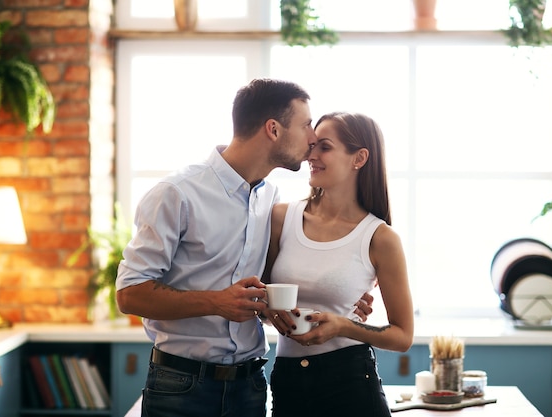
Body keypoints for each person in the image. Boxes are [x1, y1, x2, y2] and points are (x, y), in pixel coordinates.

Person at [115, 79, 373, 417]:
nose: (312, 138)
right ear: (273, 129)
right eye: (306, 124)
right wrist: (216, 302)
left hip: (250, 386)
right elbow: (129, 294)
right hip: (181, 386)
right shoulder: (177, 193)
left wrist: (341, 298)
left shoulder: (270, 200)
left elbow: (261, 292)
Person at [261, 112, 414, 417]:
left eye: (324, 148)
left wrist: (344, 326)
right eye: (312, 145)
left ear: (359, 158)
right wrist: (267, 310)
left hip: (352, 384)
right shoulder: (281, 218)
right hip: (287, 381)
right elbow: (260, 299)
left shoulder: (380, 238)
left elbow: (402, 336)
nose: (311, 155)